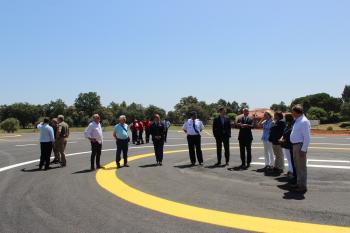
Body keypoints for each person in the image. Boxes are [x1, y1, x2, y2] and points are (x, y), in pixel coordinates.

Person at [290, 105, 311, 193]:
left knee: (301, 167)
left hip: (300, 146)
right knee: (297, 166)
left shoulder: (304, 121)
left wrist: (303, 149)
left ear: (297, 112)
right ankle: (299, 183)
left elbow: (307, 137)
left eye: (293, 112)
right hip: (295, 145)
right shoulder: (298, 120)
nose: (292, 113)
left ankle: (302, 186)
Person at [279, 113, 295, 180]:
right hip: (285, 144)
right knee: (288, 159)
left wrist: (283, 139)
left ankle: (291, 172)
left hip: (289, 144)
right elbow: (284, 133)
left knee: (291, 159)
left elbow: (290, 134)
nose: (284, 119)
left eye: (285, 117)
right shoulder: (288, 124)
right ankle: (289, 171)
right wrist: (282, 138)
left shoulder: (293, 125)